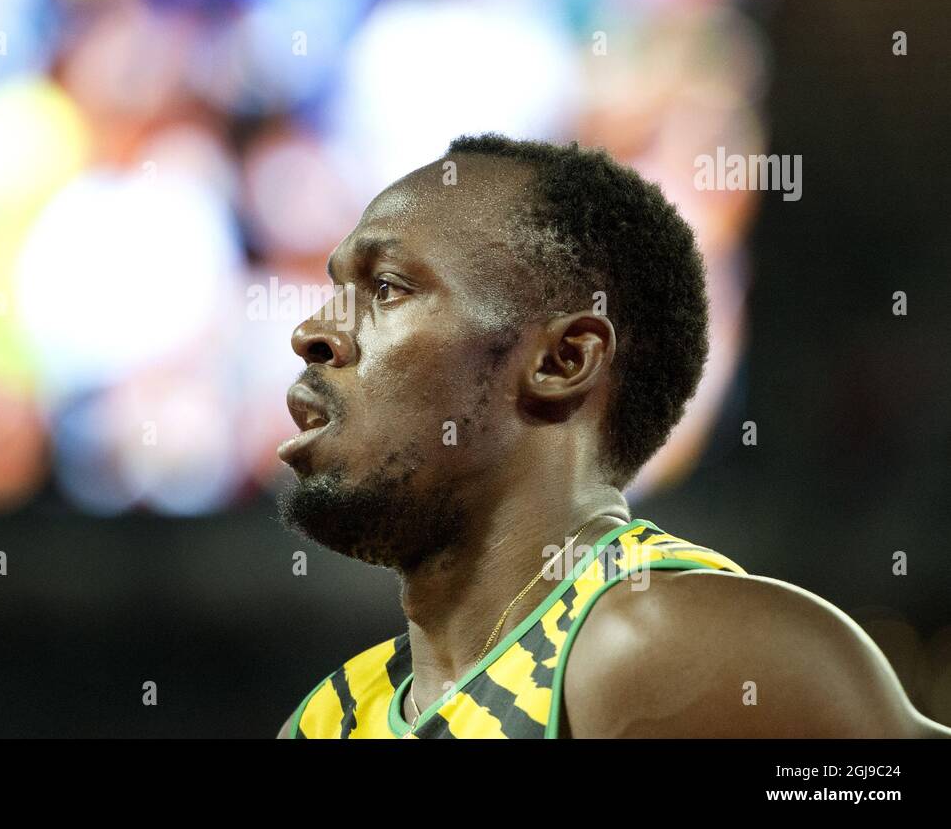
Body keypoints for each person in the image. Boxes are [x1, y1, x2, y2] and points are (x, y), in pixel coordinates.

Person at [274, 134, 949, 739]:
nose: (312, 332)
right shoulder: (331, 717)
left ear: (561, 361)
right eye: (336, 289)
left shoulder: (661, 650)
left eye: (387, 287)